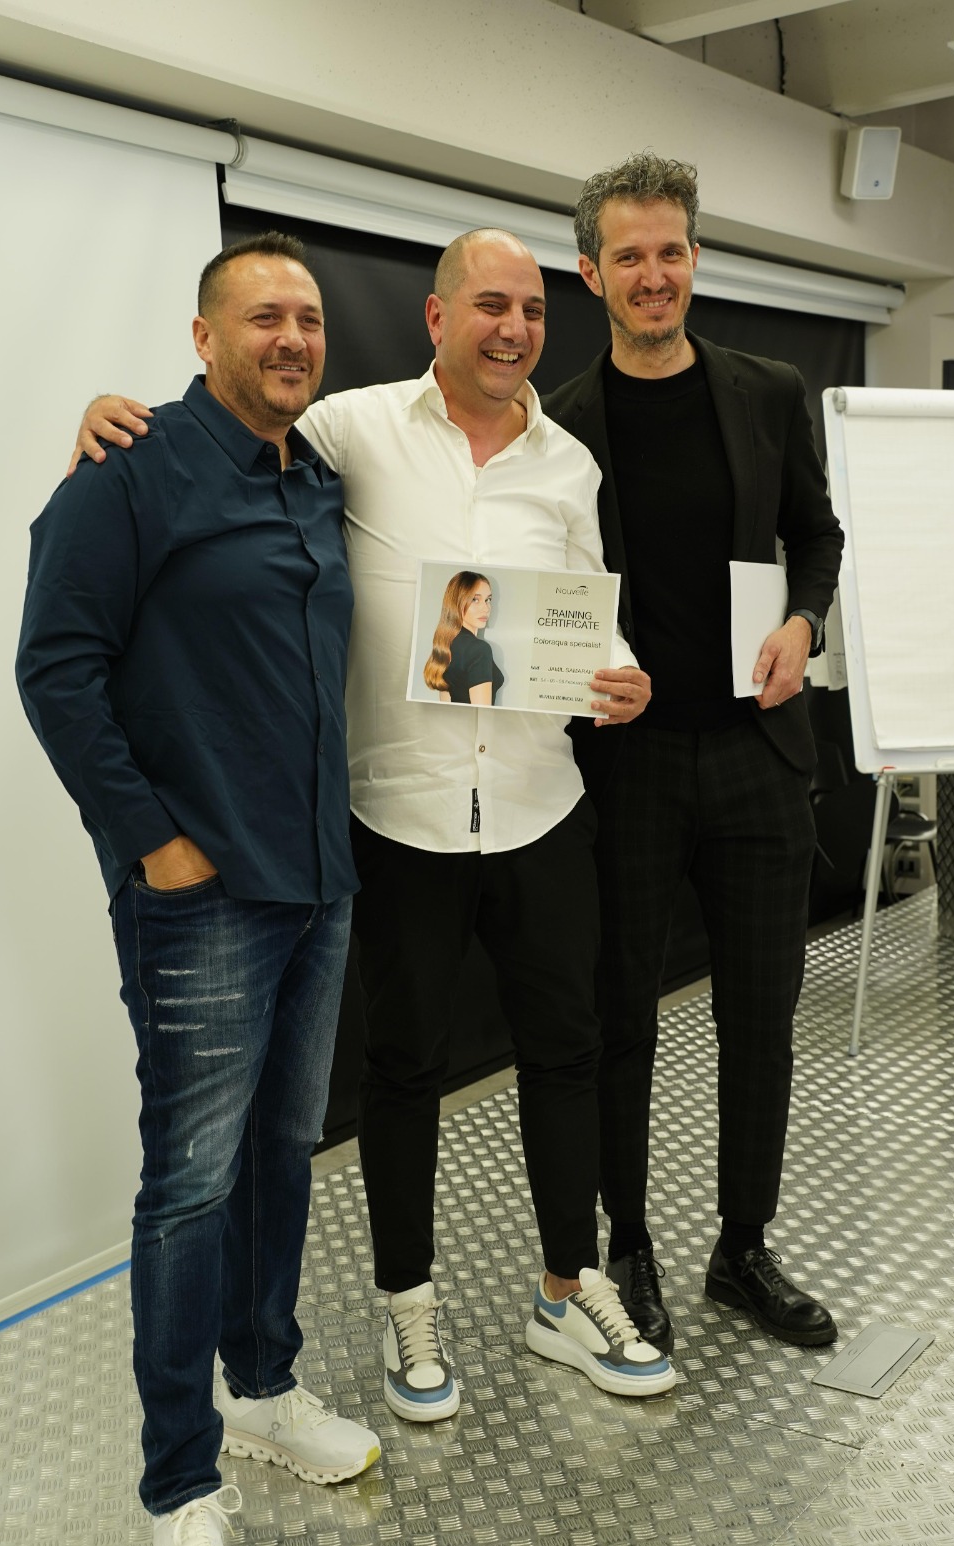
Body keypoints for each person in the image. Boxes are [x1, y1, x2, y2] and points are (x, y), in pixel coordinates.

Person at [70, 228, 678, 1426]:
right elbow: (234, 415)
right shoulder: (350, 427)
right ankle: (409, 1304)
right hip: (397, 812)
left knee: (568, 1051)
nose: (514, 329)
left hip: (539, 803)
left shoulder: (568, 463)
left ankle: (568, 1287)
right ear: (437, 318)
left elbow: (588, 606)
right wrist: (110, 416)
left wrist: (620, 669)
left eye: (533, 311)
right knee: (404, 1068)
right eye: (490, 305)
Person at [19, 233, 381, 1546]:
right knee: (189, 1186)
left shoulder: (318, 477)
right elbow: (55, 670)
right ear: (202, 337)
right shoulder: (128, 474)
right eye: (263, 317)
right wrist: (154, 845)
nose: (292, 338)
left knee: (283, 1152)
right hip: (202, 903)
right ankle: (180, 1489)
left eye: (308, 319)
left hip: (318, 882)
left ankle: (264, 1386)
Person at [543, 154, 845, 1355]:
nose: (653, 273)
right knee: (622, 1017)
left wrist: (803, 622)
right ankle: (629, 1244)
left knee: (761, 1019)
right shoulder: (558, 423)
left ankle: (743, 1246)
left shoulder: (768, 392)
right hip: (627, 766)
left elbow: (815, 533)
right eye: (629, 255)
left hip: (757, 755)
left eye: (670, 251)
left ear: (694, 258)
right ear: (591, 273)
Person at [424, 570, 505, 705]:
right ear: (457, 602)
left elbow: (446, 703)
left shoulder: (446, 643)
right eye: (475, 599)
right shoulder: (479, 650)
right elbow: (481, 712)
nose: (486, 608)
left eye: (488, 600)